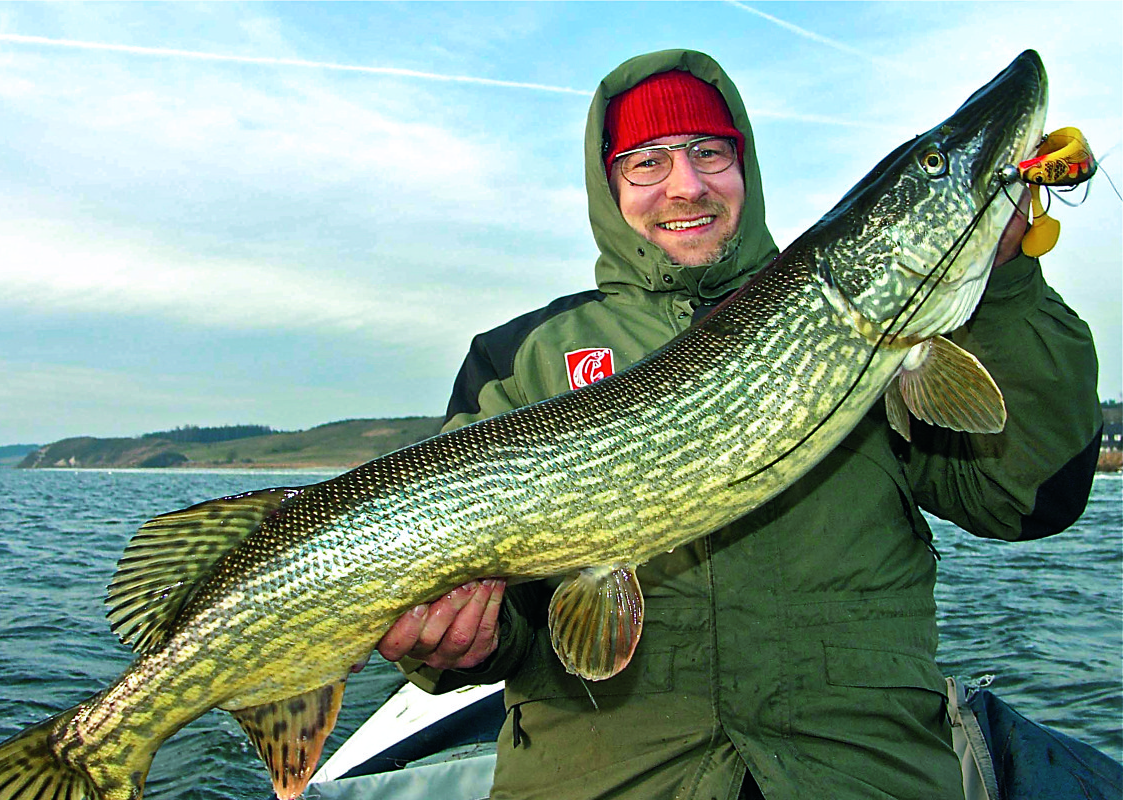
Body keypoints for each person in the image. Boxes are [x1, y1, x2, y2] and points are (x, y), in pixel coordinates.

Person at [377, 50, 1101, 799]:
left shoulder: (913, 346)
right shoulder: (518, 359)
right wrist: (459, 643)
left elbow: (1028, 501)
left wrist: (1007, 282)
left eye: (708, 153)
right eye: (647, 162)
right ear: (609, 187)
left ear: (744, 168)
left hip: (858, 776)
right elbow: (492, 623)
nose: (686, 185)